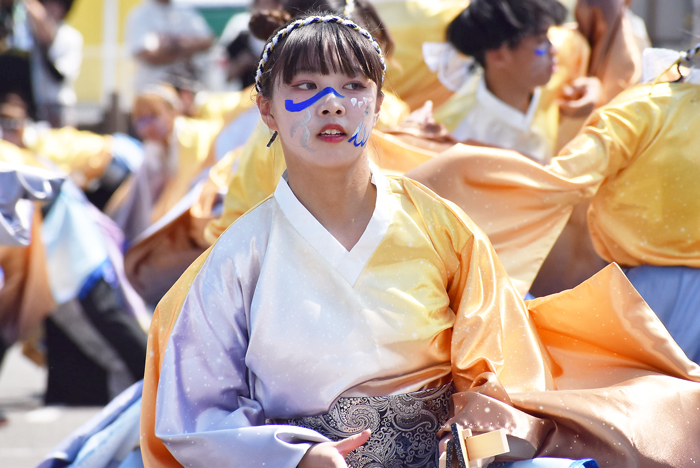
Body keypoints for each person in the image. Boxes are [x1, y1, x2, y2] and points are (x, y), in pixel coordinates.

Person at [140, 13, 700, 468]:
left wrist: (475, 430)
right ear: (266, 108)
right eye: (306, 87)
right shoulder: (239, 255)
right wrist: (295, 457)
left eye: (353, 87)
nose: (331, 104)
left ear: (379, 104)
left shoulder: (442, 225)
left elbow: (497, 359)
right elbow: (198, 412)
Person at [430, 0, 600, 164]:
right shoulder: (456, 135)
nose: (553, 49)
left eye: (549, 37)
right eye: (541, 41)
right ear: (498, 55)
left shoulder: (559, 72)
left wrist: (596, 87)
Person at [126, 0, 214, 93]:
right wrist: (187, 49)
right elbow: (149, 55)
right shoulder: (140, 15)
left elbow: (207, 42)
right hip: (153, 89)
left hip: (190, 87)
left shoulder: (185, 11)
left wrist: (172, 48)